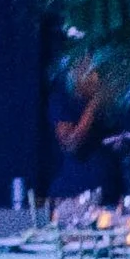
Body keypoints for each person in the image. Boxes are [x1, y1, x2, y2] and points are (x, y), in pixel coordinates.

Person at [48, 46, 111, 200]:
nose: (94, 75)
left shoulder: (116, 100)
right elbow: (71, 144)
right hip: (76, 193)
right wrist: (94, 105)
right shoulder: (63, 100)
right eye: (88, 69)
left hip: (113, 191)